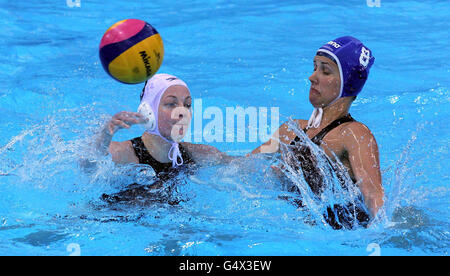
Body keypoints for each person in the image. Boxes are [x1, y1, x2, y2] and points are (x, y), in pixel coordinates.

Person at [251, 36, 384, 228]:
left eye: (325, 71)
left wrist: (381, 235)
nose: (312, 77)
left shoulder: (354, 135)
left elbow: (373, 196)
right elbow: (245, 165)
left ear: (348, 83)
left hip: (341, 236)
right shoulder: (290, 130)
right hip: (294, 227)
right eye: (315, 67)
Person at [93, 73, 231, 204]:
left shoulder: (198, 154)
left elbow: (245, 165)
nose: (183, 112)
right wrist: (105, 134)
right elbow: (88, 164)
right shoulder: (125, 154)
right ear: (148, 112)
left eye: (187, 105)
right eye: (171, 104)